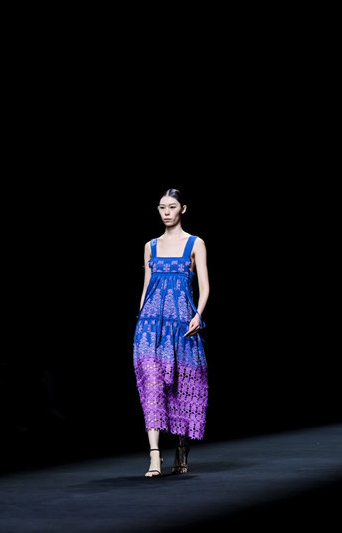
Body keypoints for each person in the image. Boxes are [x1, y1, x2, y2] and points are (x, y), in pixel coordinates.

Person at [132, 189, 209, 477]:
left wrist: (198, 315)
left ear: (183, 209)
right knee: (151, 385)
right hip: (150, 327)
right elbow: (146, 286)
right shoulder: (150, 246)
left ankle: (181, 448)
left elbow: (205, 285)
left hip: (182, 326)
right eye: (162, 207)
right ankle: (154, 455)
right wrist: (141, 318)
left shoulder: (195, 243)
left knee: (180, 387)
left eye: (172, 206)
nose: (166, 212)